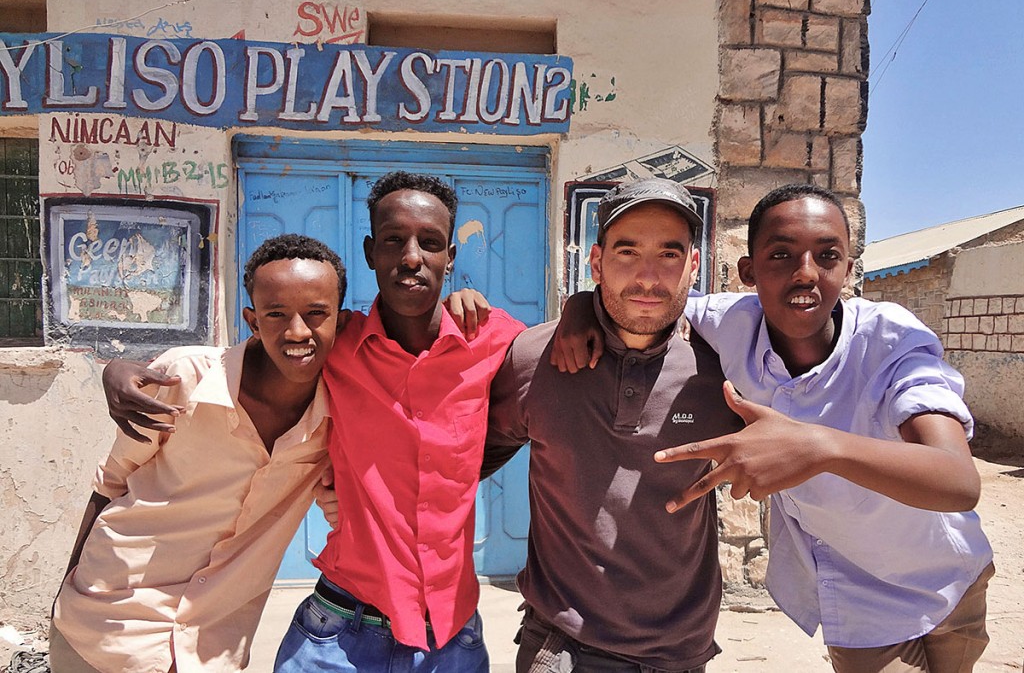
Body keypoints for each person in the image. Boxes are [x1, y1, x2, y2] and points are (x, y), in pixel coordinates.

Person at [554, 184, 994, 672]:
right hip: (859, 588)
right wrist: (579, 308)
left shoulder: (891, 343)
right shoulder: (730, 324)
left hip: (948, 575)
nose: (805, 274)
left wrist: (820, 447)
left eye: (827, 256)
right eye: (781, 255)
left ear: (849, 269)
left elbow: (957, 480)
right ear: (749, 271)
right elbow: (654, 296)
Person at [101, 171, 526, 673]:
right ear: (370, 252)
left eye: (430, 243)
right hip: (337, 634)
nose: (412, 256)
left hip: (450, 634)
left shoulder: (495, 340)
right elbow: (258, 351)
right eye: (394, 240)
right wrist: (120, 367)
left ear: (450, 256)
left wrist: (584, 308)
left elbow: (557, 376)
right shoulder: (338, 342)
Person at [51, 234, 347, 673]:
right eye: (276, 314)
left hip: (210, 646)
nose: (298, 331)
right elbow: (110, 483)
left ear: (341, 318)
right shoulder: (184, 378)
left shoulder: (338, 417)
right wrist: (67, 589)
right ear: (251, 319)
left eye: (317, 313)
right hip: (106, 624)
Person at [482, 178, 744, 672]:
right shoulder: (534, 359)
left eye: (669, 255)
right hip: (561, 650)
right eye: (628, 252)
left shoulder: (724, 368)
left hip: (680, 656)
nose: (648, 277)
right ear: (596, 262)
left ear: (693, 266)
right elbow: (459, 461)